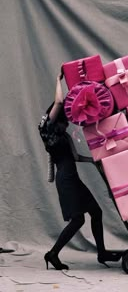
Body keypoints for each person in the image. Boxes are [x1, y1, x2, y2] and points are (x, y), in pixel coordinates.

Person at [38, 72, 122, 270]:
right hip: (65, 179)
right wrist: (58, 80)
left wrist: (94, 160)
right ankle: (52, 254)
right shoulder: (46, 127)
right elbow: (59, 101)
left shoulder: (63, 135)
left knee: (96, 212)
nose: (69, 121)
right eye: (66, 118)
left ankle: (102, 253)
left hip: (72, 177)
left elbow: (75, 157)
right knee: (77, 220)